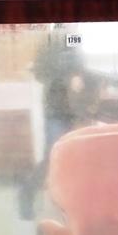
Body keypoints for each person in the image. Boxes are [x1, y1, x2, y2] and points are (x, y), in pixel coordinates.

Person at [18, 27, 99, 220]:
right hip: (55, 108)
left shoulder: (73, 36)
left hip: (73, 108)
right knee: (52, 156)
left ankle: (69, 203)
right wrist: (66, 77)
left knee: (73, 156)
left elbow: (79, 62)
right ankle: (26, 193)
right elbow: (40, 72)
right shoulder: (49, 40)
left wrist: (78, 75)